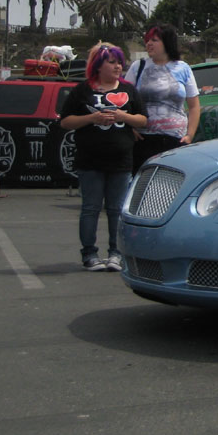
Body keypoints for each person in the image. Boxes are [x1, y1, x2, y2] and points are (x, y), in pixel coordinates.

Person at [59, 43, 147, 272]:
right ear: (98, 65)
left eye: (120, 62)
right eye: (112, 62)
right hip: (90, 160)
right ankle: (89, 253)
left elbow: (143, 120)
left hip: (121, 160)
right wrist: (92, 118)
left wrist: (122, 115)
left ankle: (115, 253)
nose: (118, 66)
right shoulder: (82, 90)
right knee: (90, 208)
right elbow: (65, 121)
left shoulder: (129, 90)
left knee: (117, 209)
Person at [124, 24, 201, 172]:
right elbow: (124, 99)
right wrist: (129, 129)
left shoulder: (183, 68)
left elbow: (194, 106)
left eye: (154, 40)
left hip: (175, 139)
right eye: (147, 40)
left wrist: (189, 135)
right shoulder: (138, 67)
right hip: (144, 139)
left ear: (167, 42)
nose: (149, 43)